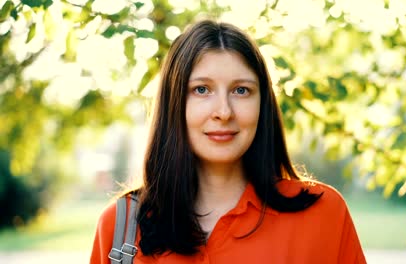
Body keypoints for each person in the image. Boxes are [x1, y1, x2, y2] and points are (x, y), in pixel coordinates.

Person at [90, 20, 366, 263]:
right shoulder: (120, 227)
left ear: (263, 104)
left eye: (241, 90)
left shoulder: (324, 214)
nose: (223, 111)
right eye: (201, 90)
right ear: (173, 103)